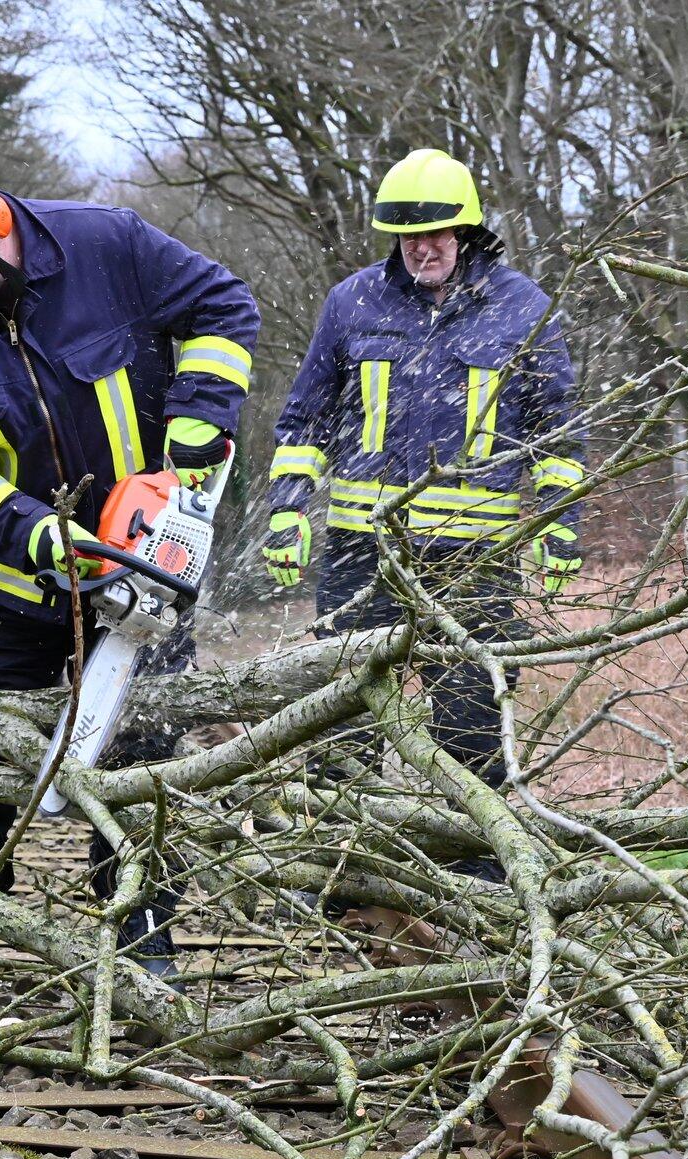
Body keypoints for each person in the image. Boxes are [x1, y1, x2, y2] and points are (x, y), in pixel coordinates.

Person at [0, 146, 259, 1005]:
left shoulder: (107, 245)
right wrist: (30, 534)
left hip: (142, 564)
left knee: (145, 750)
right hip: (6, 583)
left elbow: (224, 308)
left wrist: (201, 415)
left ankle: (142, 922)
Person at [262, 148, 583, 786]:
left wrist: (559, 523)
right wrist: (288, 509)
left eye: (434, 234)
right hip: (363, 547)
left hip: (475, 558)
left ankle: (471, 865)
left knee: (470, 715)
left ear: (465, 232)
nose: (421, 249)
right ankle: (337, 864)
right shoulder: (352, 303)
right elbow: (306, 422)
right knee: (343, 708)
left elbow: (556, 432)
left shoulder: (523, 310)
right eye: (408, 236)